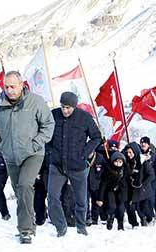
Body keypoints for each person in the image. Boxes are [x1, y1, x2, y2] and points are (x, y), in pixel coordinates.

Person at [0, 71, 54, 244]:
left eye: (13, 86)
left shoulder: (35, 102)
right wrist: (0, 145)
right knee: (19, 191)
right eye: (6, 86)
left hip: (33, 153)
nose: (9, 90)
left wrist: (35, 144)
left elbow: (48, 125)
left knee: (24, 185)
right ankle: (30, 223)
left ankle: (25, 230)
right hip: (10, 155)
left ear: (21, 84)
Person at [47, 92, 101, 237]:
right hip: (57, 165)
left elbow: (96, 137)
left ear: (75, 106)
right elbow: (44, 135)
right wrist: (50, 152)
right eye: (63, 107)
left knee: (81, 199)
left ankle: (81, 226)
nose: (65, 111)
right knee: (52, 196)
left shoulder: (84, 118)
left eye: (68, 108)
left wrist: (85, 153)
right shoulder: (53, 115)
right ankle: (60, 226)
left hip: (78, 166)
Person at [124, 142, 155, 227]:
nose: (129, 154)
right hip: (132, 188)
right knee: (131, 207)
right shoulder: (127, 162)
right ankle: (134, 223)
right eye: (127, 152)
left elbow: (151, 175)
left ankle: (147, 218)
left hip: (142, 188)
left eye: (130, 152)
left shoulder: (143, 161)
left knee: (143, 208)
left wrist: (143, 184)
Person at [96, 152, 129, 230]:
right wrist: (100, 198)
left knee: (121, 209)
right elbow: (103, 185)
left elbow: (128, 183)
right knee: (112, 206)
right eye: (116, 161)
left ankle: (120, 224)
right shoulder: (108, 170)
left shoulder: (125, 171)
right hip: (110, 190)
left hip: (121, 191)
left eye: (120, 162)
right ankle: (110, 218)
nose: (118, 164)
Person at [139, 137, 156, 221]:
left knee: (150, 199)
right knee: (141, 199)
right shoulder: (137, 154)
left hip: (151, 181)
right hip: (140, 180)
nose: (143, 144)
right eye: (142, 143)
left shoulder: (153, 156)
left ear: (148, 145)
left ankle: (150, 216)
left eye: (145, 143)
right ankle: (143, 216)